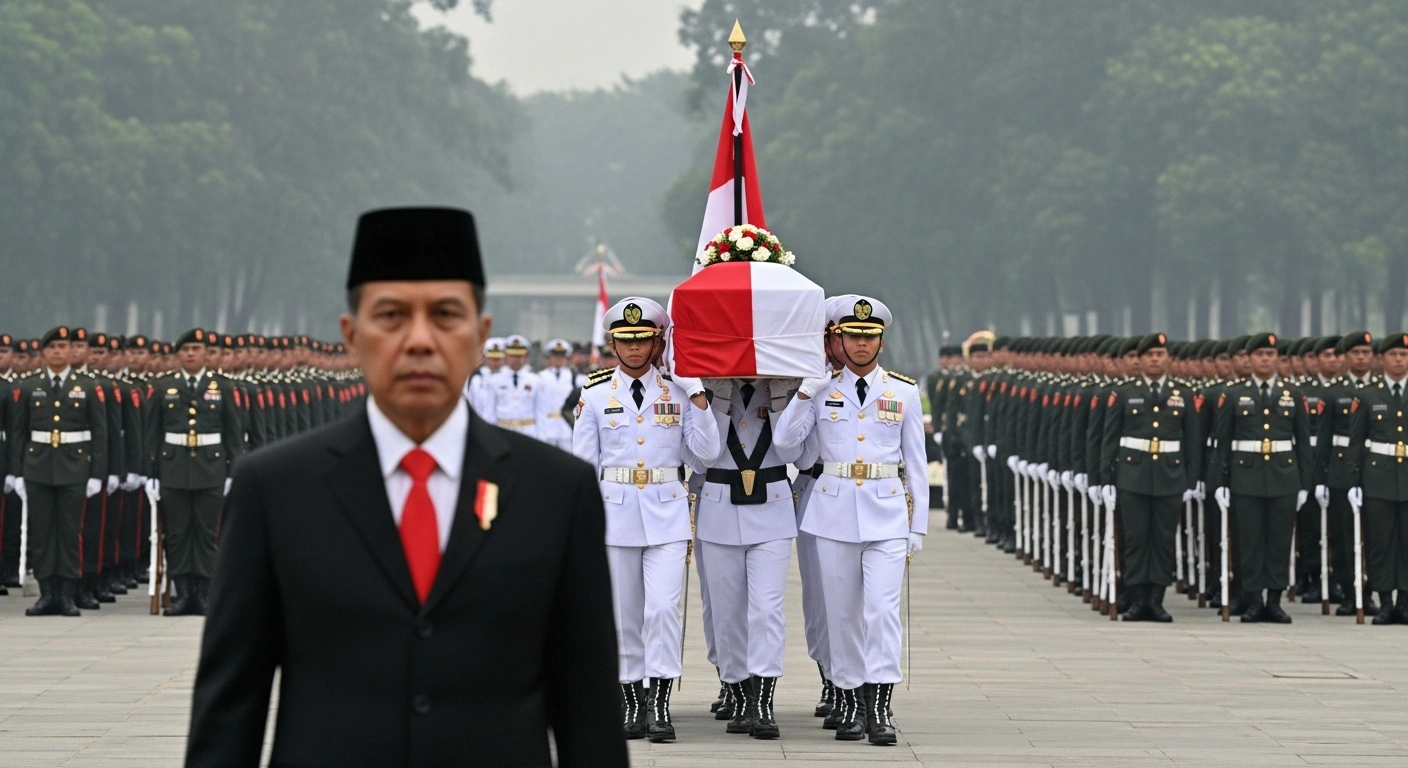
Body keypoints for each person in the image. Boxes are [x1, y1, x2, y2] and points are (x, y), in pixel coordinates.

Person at [186, 207, 627, 768]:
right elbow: (230, 710)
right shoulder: (275, 490)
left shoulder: (557, 493)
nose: (419, 341)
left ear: (480, 336)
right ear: (351, 336)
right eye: (391, 316)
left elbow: (589, 716)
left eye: (446, 316)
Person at [774, 296, 927, 746]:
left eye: (869, 336)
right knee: (841, 615)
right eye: (853, 336)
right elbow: (786, 446)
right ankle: (852, 702)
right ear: (837, 339)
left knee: (881, 611)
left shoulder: (903, 391)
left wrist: (918, 526)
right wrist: (805, 390)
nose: (861, 344)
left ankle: (880, 707)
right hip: (832, 511)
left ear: (881, 339)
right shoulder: (821, 389)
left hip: (886, 513)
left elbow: (916, 464)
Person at [572, 297, 718, 743]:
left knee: (661, 609)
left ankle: (659, 701)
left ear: (658, 342)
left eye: (643, 340)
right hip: (615, 516)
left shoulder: (678, 390)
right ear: (612, 343)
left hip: (668, 513)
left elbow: (706, 455)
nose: (634, 349)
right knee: (623, 616)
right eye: (625, 341)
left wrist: (698, 398)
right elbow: (583, 466)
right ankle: (631, 701)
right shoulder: (595, 395)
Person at [1209, 333, 1313, 624]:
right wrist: (1220, 483)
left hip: (1284, 476)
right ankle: (1254, 600)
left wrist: (1304, 483)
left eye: (1270, 354)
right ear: (1250, 359)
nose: (1265, 359)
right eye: (1259, 355)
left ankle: (1275, 601)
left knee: (1280, 541)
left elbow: (1303, 443)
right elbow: (1223, 442)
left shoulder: (1292, 393)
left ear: (1277, 359)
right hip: (1246, 476)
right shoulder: (1232, 394)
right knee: (1250, 541)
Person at [1098, 333, 1202, 621]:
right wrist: (1106, 479)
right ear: (1140, 360)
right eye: (1149, 355)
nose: (1155, 359)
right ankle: (1135, 599)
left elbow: (1192, 441)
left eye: (1160, 354)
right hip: (1132, 476)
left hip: (1170, 476)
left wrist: (1191, 481)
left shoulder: (1183, 394)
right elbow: (1110, 438)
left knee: (1163, 539)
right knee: (1135, 538)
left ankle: (1156, 600)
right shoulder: (1123, 393)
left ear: (1167, 359)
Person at [9, 326, 110, 616]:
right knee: (42, 532)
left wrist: (96, 474)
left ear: (71, 351)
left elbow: (100, 433)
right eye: (51, 347)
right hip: (38, 466)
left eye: (62, 347)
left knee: (69, 532)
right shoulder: (28, 387)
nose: (57, 352)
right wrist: (17, 472)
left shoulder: (89, 386)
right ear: (44, 352)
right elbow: (19, 433)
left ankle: (66, 594)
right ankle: (46, 594)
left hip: (75, 466)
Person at [144, 328, 244, 616]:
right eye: (185, 350)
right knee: (178, 533)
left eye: (196, 349)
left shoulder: (222, 386)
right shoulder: (163, 386)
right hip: (173, 467)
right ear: (178, 355)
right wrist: (150, 472)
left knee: (204, 532)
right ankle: (183, 592)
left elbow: (232, 432)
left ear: (205, 354)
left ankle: (204, 593)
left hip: (210, 467)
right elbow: (152, 432)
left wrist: (231, 472)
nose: (190, 354)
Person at [1346, 332, 1408, 624]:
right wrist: (1354, 481)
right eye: (1394, 355)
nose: (1399, 360)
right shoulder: (1368, 395)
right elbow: (1356, 442)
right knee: (1380, 542)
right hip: (1378, 476)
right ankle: (1385, 601)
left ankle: (1405, 602)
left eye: (1404, 355)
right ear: (1381, 360)